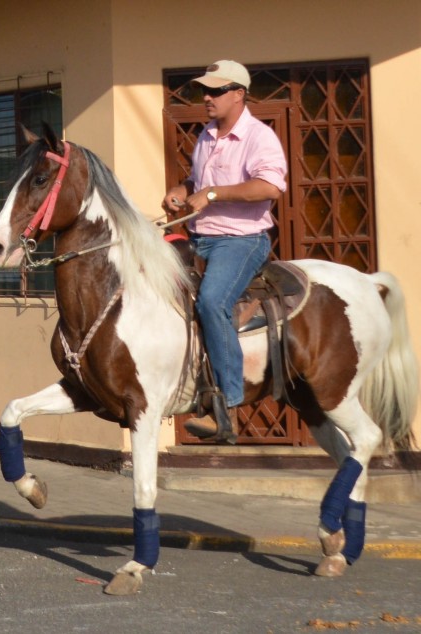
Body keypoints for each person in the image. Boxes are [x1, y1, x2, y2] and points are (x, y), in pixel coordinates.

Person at [162, 60, 288, 441]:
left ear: (239, 94)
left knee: (212, 301)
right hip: (200, 237)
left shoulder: (259, 137)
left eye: (216, 91)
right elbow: (197, 180)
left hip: (242, 241)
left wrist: (211, 194)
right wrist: (183, 192)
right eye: (205, 90)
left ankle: (226, 403)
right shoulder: (206, 134)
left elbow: (270, 187)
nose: (207, 97)